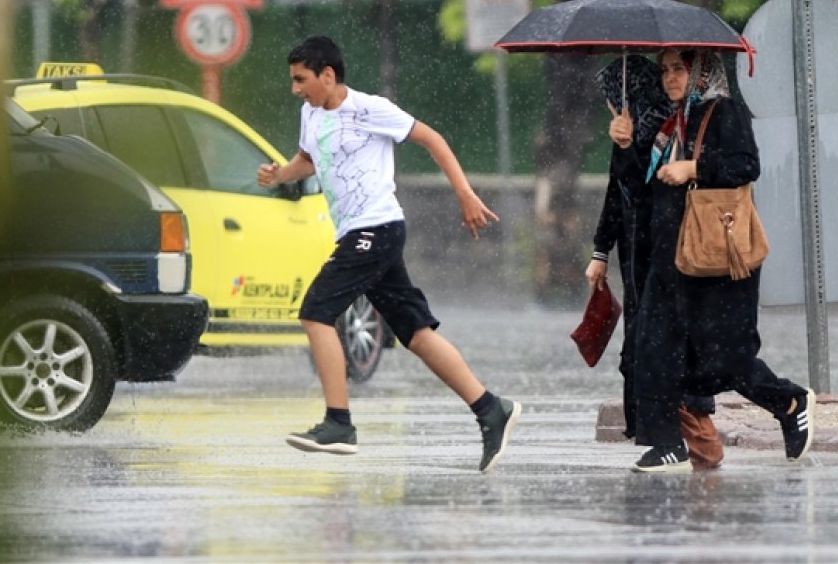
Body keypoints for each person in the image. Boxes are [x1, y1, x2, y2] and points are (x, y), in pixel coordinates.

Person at [257, 35, 521, 473]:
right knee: (415, 333)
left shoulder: (370, 109)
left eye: (301, 79)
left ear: (328, 75)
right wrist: (281, 173)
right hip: (360, 233)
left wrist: (465, 194)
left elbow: (433, 139)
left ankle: (338, 423)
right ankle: (491, 409)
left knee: (316, 312)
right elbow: (310, 159)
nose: (295, 89)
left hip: (376, 228)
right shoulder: (310, 113)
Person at [630, 48, 814, 474]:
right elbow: (642, 183)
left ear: (700, 71)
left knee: (725, 359)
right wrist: (626, 143)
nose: (670, 78)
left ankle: (789, 402)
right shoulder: (667, 121)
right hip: (670, 257)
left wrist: (694, 168)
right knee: (653, 351)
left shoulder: (724, 112)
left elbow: (746, 165)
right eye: (665, 70)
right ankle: (667, 446)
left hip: (717, 258)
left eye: (679, 69)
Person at [583, 54, 724, 470]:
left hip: (669, 250)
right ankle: (659, 435)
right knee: (642, 344)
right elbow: (618, 191)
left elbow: (647, 192)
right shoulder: (631, 130)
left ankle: (690, 433)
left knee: (664, 345)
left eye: (614, 96)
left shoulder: (671, 128)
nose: (611, 105)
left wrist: (633, 147)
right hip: (637, 255)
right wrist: (600, 251)